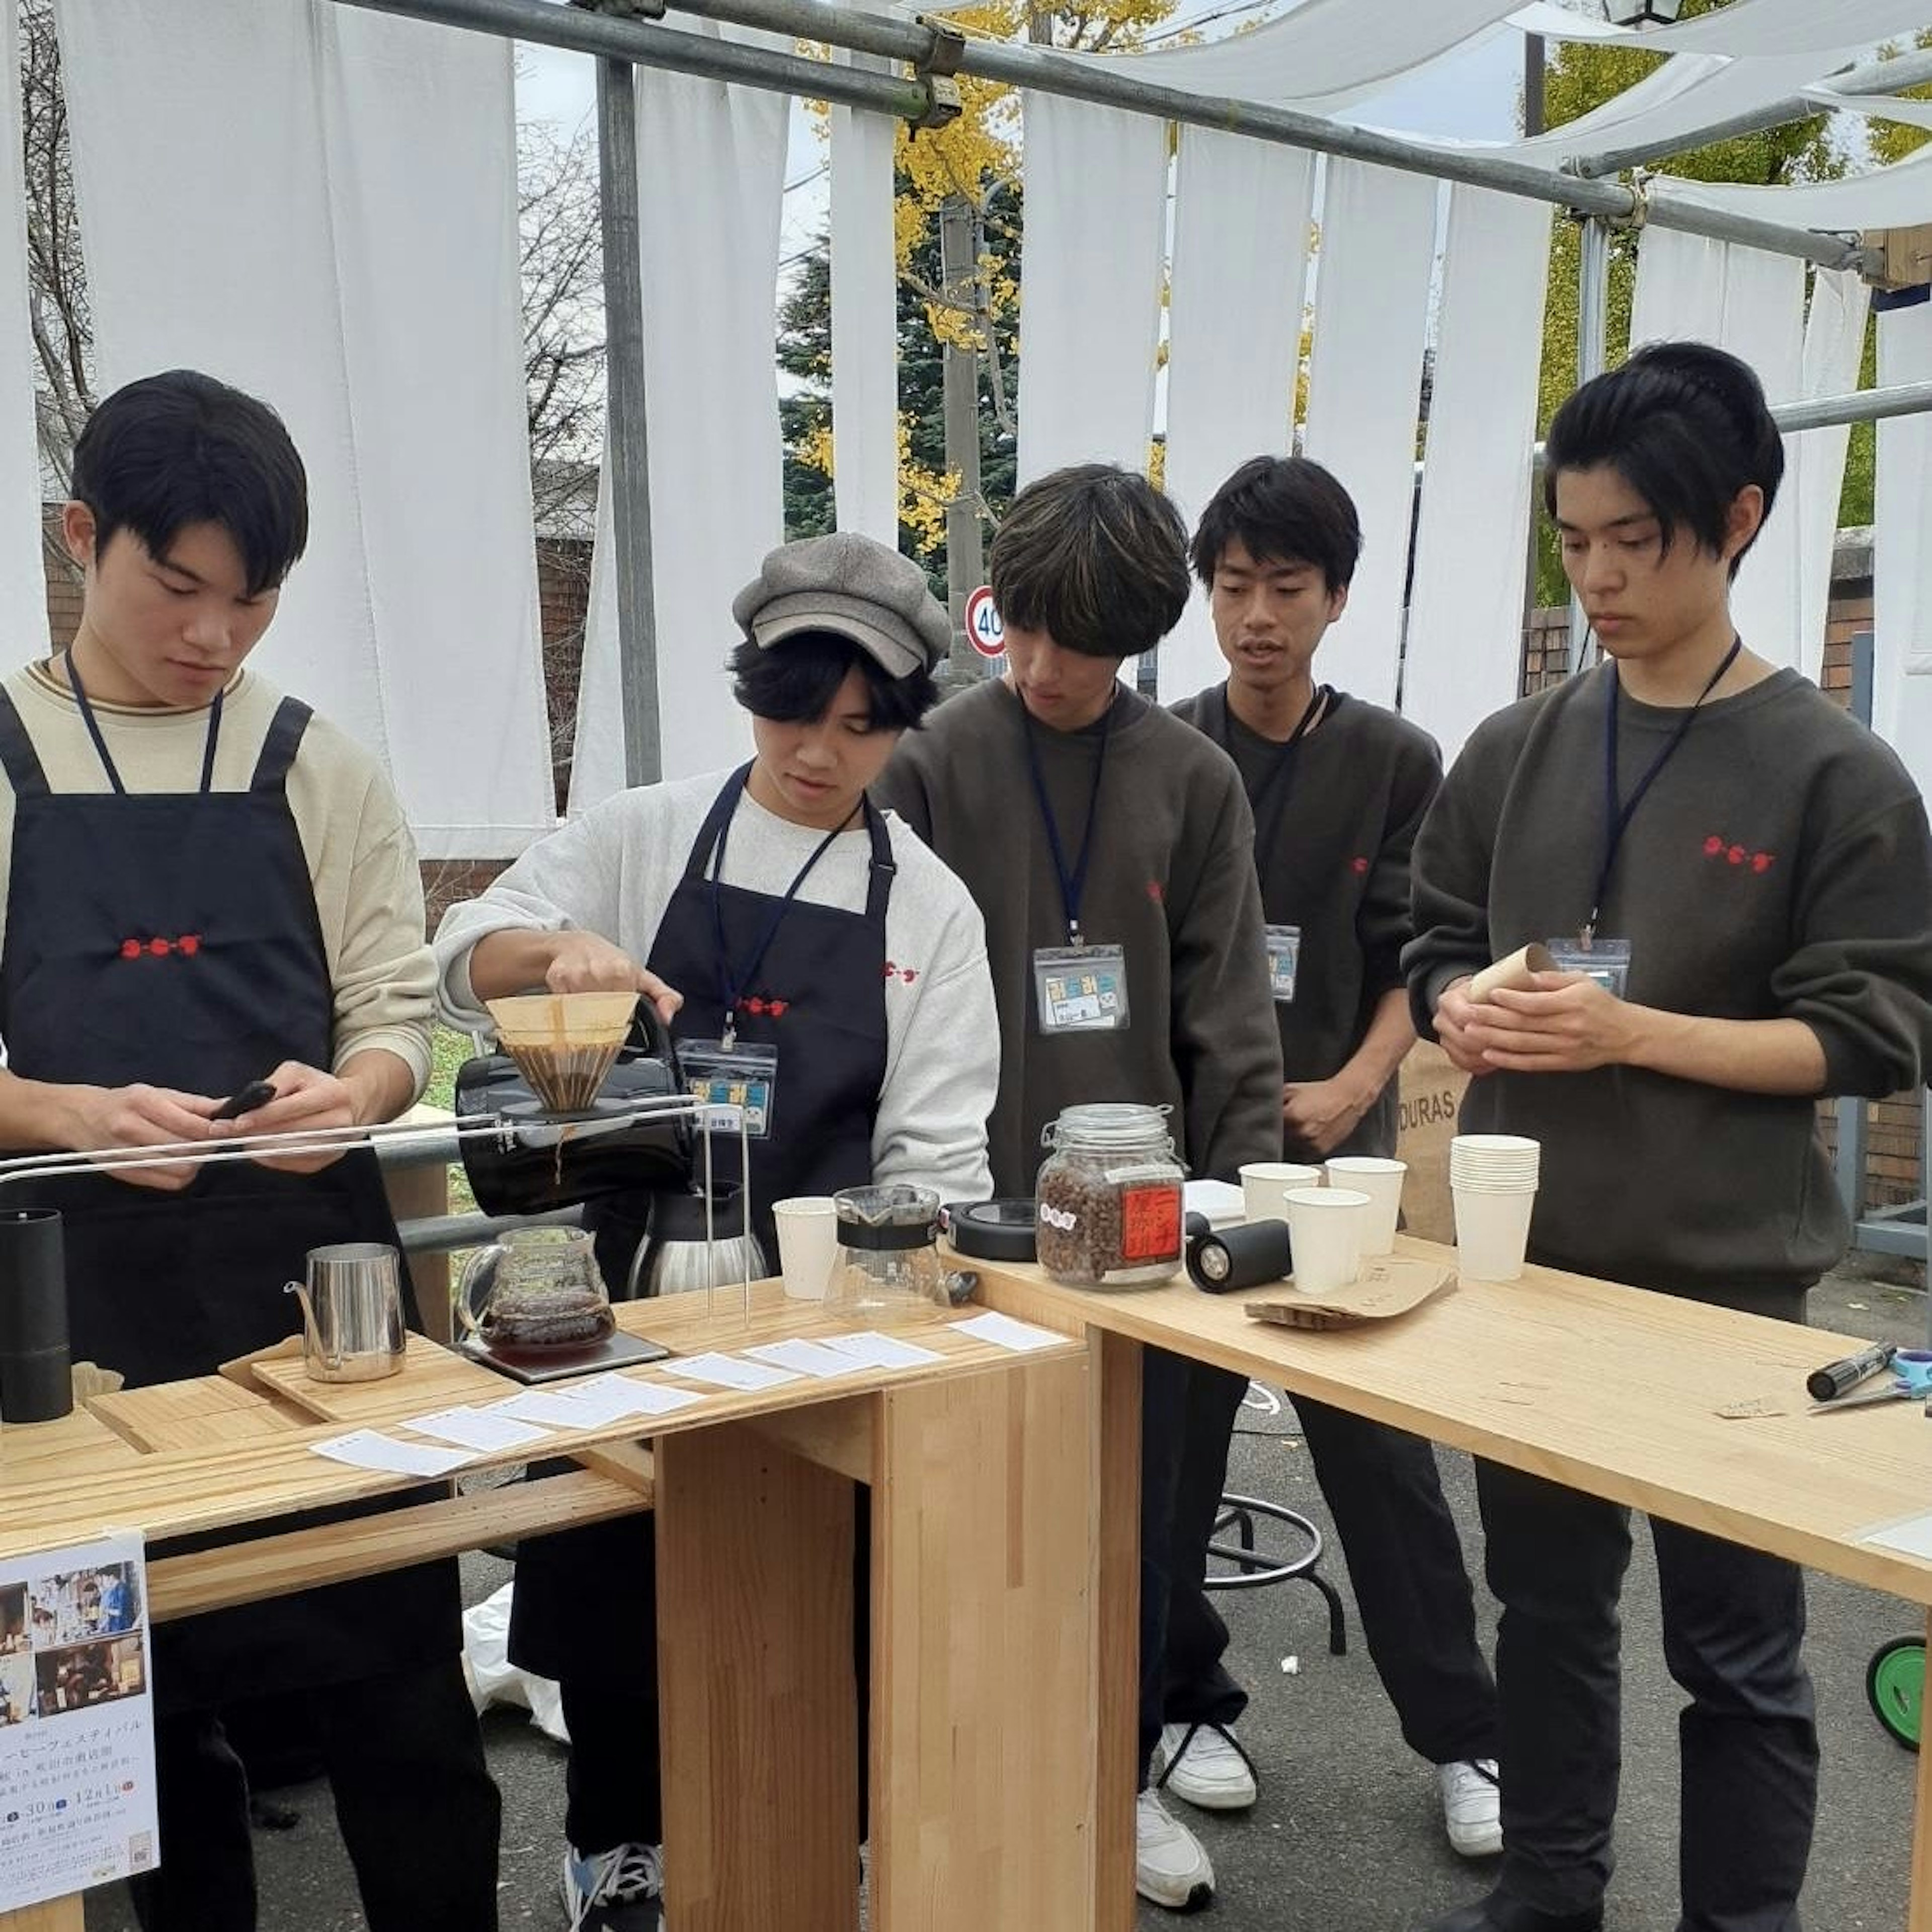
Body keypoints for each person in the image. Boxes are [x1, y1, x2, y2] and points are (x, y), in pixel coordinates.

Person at [1404, 341, 1932, 1932]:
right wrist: (1456, 1010)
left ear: (1743, 520)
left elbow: (1870, 1039)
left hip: (1725, 1289)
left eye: (1639, 542)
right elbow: (1427, 939)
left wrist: (1629, 1031)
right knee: (1547, 1616)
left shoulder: (1836, 772)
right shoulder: (1516, 744)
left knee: (1739, 1648)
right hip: (1534, 1270)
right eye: (1576, 540)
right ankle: (1550, 1894)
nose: (1602, 577)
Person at [435, 529, 999, 1932]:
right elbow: (463, 958)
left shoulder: (925, 902)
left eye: (863, 727)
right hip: (619, 1303)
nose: (820, 751)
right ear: (750, 689)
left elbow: (937, 1146)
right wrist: (551, 959)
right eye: (794, 710)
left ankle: (831, 1846)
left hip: (821, 1310)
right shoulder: (644, 832)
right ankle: (620, 1854)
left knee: (831, 1587)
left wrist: (889, 1268)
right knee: (624, 1587)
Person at [0, 369, 500, 1931]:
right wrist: (74, 1118)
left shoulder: (316, 764)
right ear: (85, 538)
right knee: (120, 1759)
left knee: (407, 1713)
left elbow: (397, 1015)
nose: (214, 636)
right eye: (179, 586)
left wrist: (349, 1097)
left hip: (317, 1327)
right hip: (69, 1344)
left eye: (255, 599)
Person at [871, 463, 1283, 1913]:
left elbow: (1231, 1014)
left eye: (1084, 644)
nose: (1048, 670)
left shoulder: (1192, 779)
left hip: (1151, 1228)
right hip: (966, 1219)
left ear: (1138, 638)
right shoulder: (927, 760)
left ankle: (1114, 1787)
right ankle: (936, 1781)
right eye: (1027, 631)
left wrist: (1245, 1215)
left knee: (1144, 1522)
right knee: (958, 1517)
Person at [1169, 454, 1502, 1857]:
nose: (1258, 615)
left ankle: (1469, 1741)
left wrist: (1359, 1081)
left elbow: (1412, 960)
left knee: (1381, 1457)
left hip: (1338, 1170)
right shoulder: (1165, 750)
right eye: (1235, 586)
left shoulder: (1394, 761)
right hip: (1190, 1165)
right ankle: (1182, 1709)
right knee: (1164, 1457)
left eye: (1286, 588)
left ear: (1337, 598)